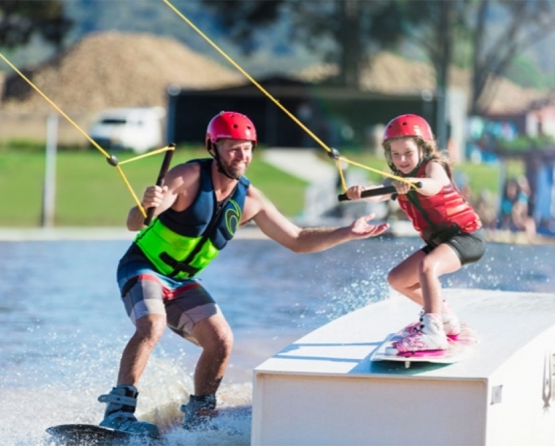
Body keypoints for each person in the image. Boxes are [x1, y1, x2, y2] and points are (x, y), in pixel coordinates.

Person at [98, 111, 389, 436]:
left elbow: (297, 239)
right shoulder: (187, 177)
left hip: (181, 282)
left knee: (221, 340)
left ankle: (199, 419)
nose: (242, 155)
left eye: (247, 148)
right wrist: (145, 206)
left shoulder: (250, 199)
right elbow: (135, 223)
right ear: (214, 147)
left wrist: (347, 232)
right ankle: (118, 413)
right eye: (233, 148)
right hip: (144, 266)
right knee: (153, 325)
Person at [345, 114, 485, 353]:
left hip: (466, 237)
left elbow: (435, 185)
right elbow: (378, 192)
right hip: (439, 242)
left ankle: (433, 333)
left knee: (427, 267)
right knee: (397, 279)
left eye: (408, 153)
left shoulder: (433, 167)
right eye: (395, 154)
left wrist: (413, 183)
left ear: (423, 147)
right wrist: (360, 191)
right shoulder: (398, 179)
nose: (402, 160)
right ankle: (446, 318)